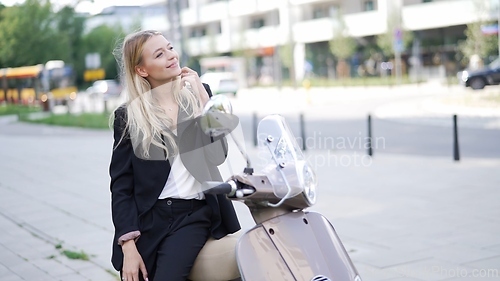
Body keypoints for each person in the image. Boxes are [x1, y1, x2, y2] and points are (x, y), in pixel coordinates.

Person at [109, 30, 241, 281]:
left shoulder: (199, 96)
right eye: (159, 54)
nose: (171, 56)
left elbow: (218, 156)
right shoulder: (129, 116)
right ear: (142, 70)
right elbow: (121, 186)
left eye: (170, 48)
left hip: (192, 214)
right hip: (149, 221)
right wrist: (127, 245)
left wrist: (204, 101)